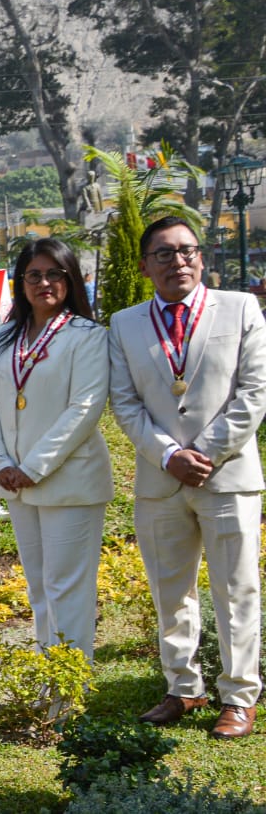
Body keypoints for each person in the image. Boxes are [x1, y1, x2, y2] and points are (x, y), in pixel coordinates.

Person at [108, 217, 265, 739]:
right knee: (170, 590)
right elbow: (125, 402)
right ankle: (183, 687)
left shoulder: (242, 307)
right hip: (160, 480)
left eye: (187, 251)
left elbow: (255, 392)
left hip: (226, 477)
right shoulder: (125, 323)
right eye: (164, 253)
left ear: (202, 257)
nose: (178, 261)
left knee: (235, 588)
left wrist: (205, 452)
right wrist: (167, 454)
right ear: (144, 265)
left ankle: (240, 696)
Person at [0, 238, 112, 664]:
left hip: (68, 481)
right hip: (17, 482)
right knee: (38, 587)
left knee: (67, 589)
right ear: (20, 283)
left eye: (55, 273)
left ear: (71, 279)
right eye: (33, 275)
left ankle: (68, 693)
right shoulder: (6, 338)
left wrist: (33, 467)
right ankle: (48, 678)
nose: (44, 283)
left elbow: (85, 408)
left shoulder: (87, 336)